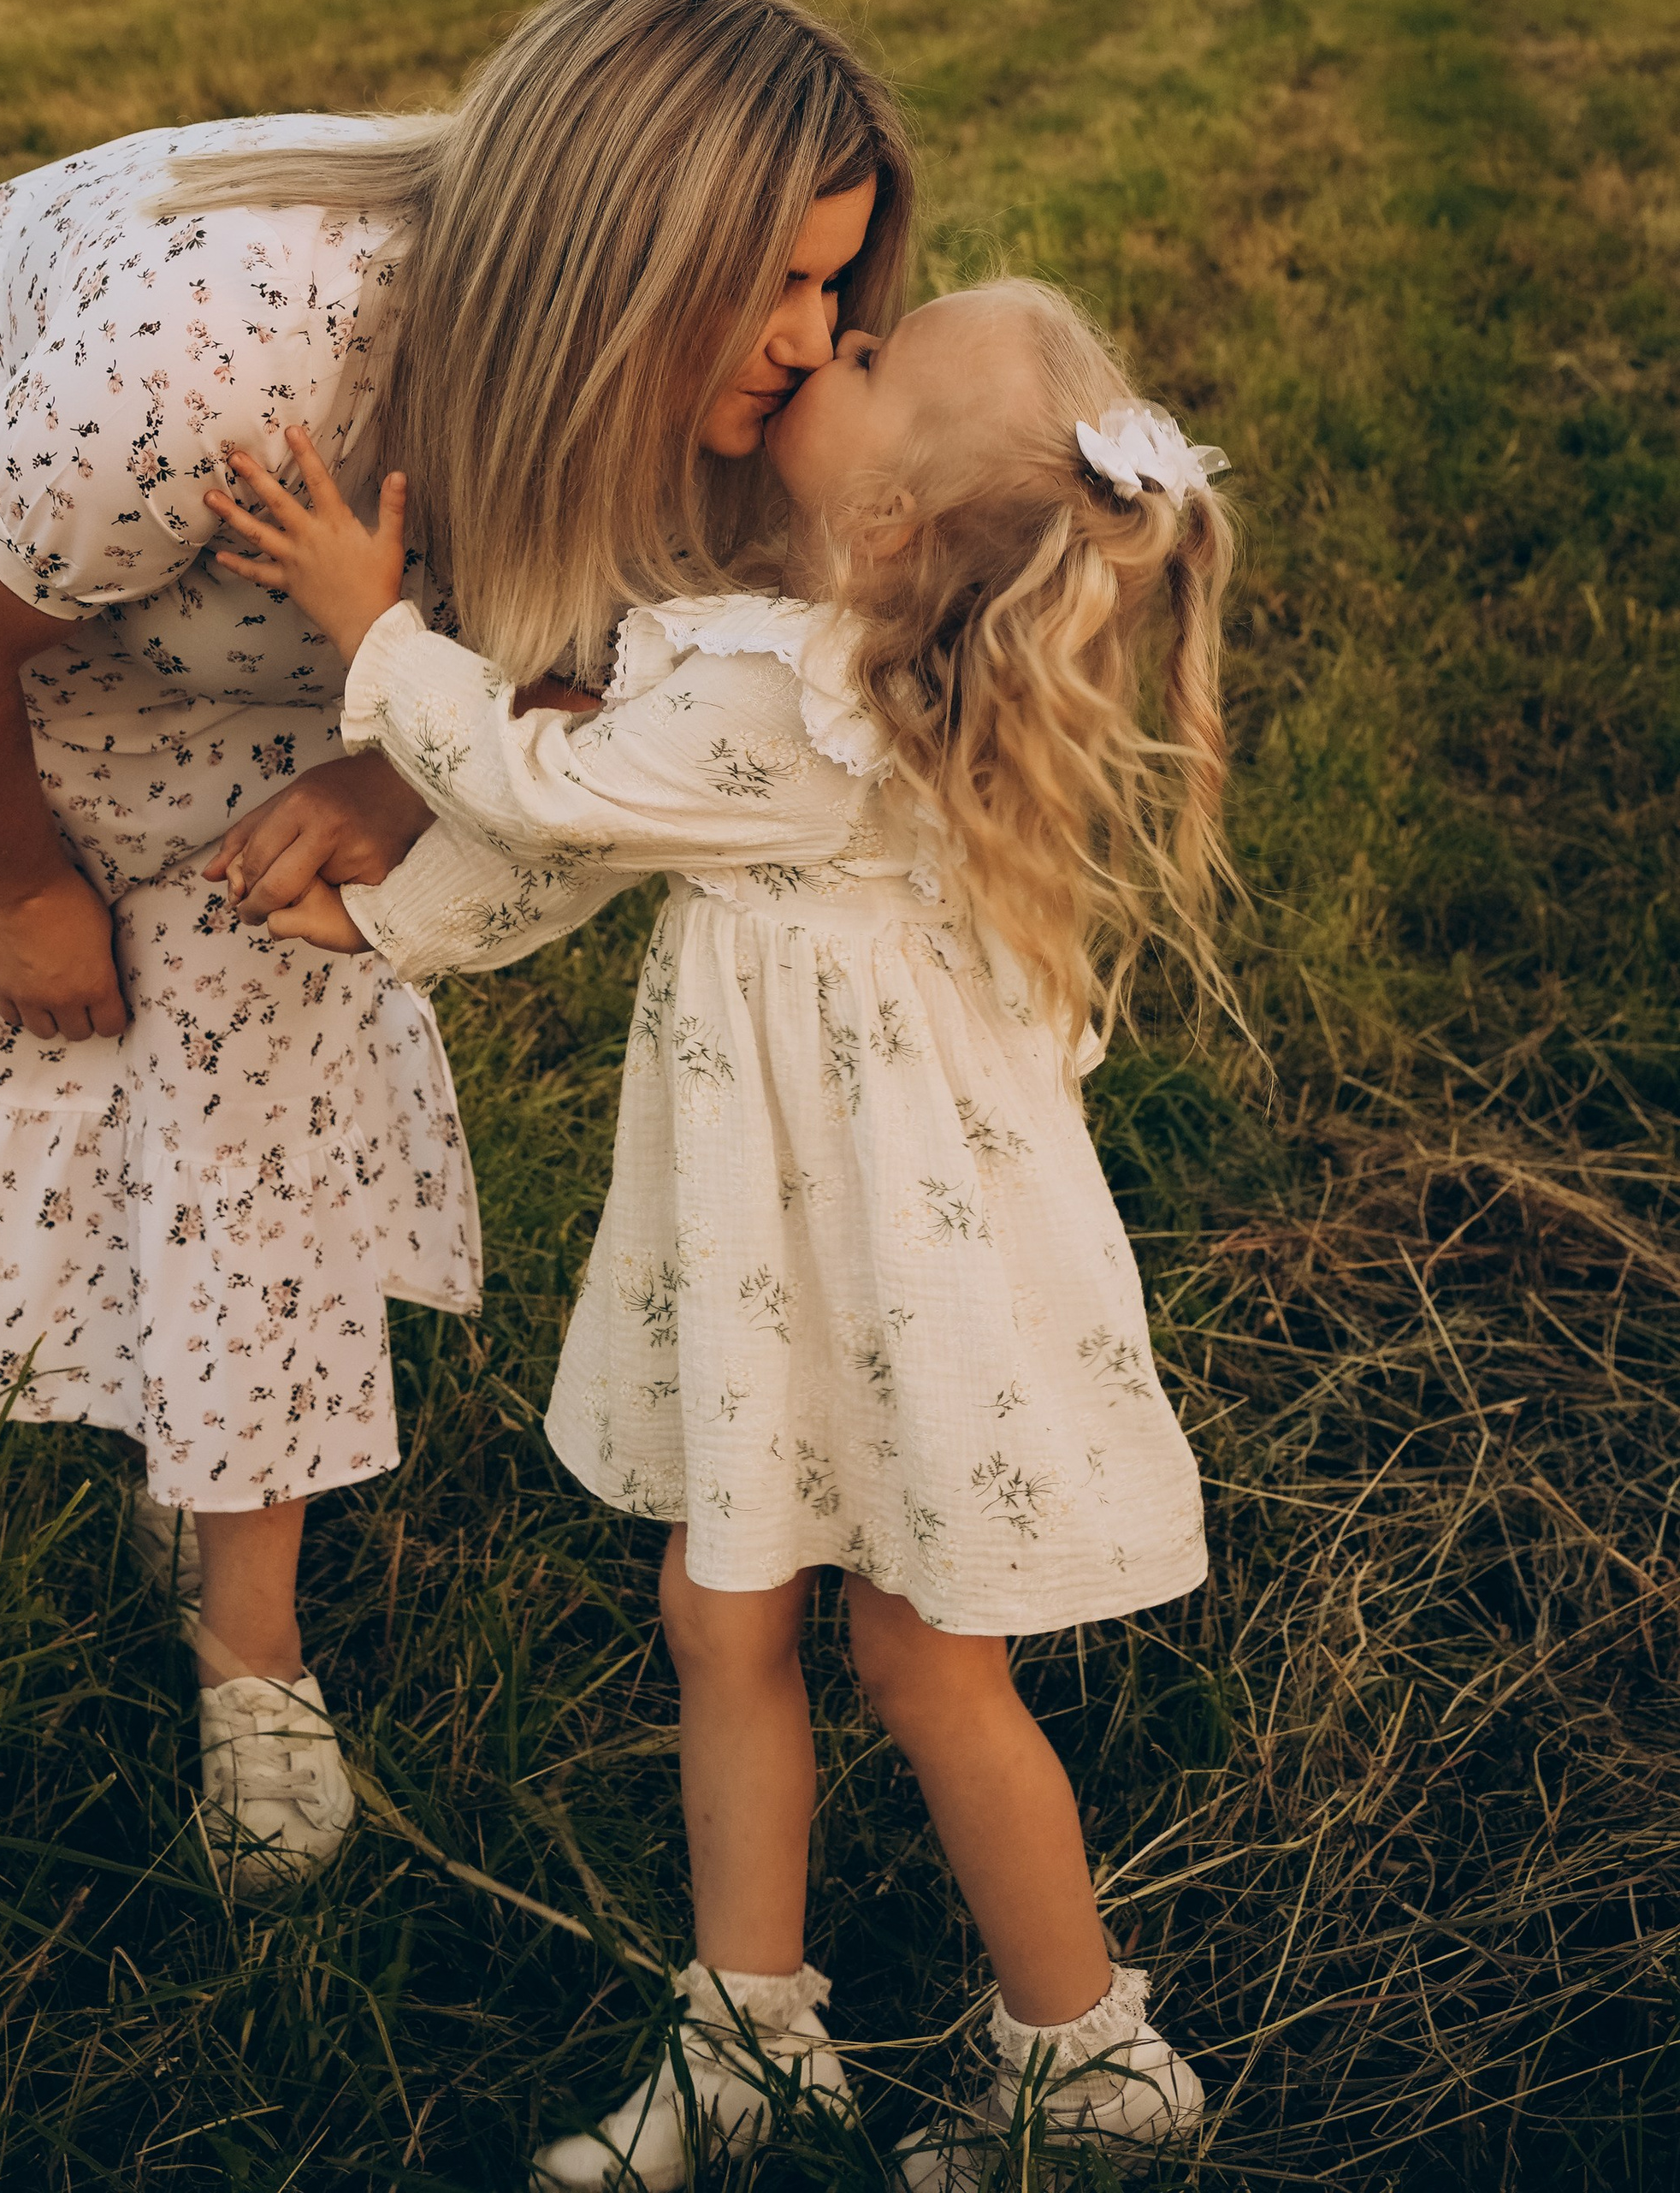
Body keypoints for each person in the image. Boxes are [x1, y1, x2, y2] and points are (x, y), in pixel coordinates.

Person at [0, 0, 913, 1896]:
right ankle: (116, 1352)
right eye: (767, 280)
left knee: (270, 1014)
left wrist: (391, 770)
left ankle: (246, 1651)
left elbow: (629, 679)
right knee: (48, 970)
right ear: (611, 252)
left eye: (833, 279)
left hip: (305, 590)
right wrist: (15, 887)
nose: (810, 337)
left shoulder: (710, 418)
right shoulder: (214, 361)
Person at [205, 275, 1232, 2181]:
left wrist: (375, 631)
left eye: (861, 361)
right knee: (720, 1607)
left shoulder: (792, 696)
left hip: (880, 1272)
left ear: (881, 527)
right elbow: (585, 846)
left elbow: (540, 789)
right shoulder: (845, 664)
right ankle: (746, 2033)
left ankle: (1089, 2072)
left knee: (921, 1658)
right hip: (812, 1250)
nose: (823, 344)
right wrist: (395, 926)